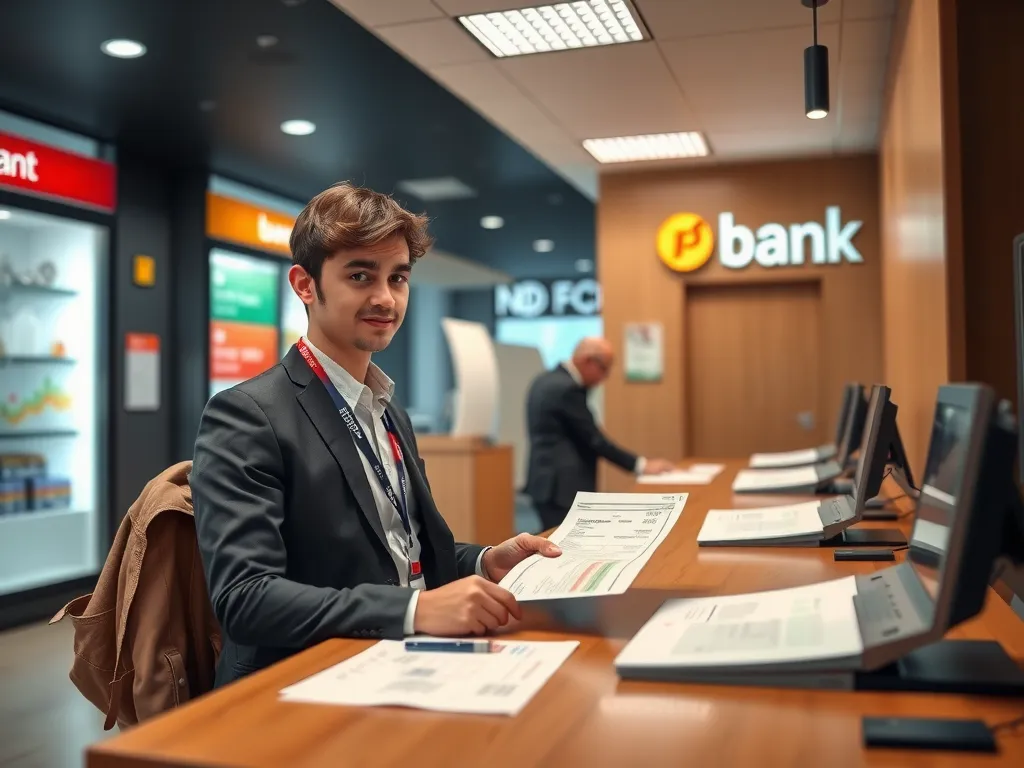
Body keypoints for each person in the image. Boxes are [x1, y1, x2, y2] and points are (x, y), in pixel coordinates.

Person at [190, 182, 561, 687]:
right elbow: (246, 598)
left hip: (399, 663)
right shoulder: (247, 414)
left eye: (398, 278)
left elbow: (397, 555)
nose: (385, 298)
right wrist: (415, 610)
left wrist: (483, 560)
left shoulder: (386, 409)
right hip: (298, 684)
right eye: (360, 275)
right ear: (305, 284)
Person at [524, 337, 676, 530]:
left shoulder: (544, 380)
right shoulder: (567, 389)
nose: (606, 377)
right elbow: (594, 439)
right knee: (565, 548)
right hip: (562, 488)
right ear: (587, 361)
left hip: (544, 482)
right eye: (604, 368)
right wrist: (641, 465)